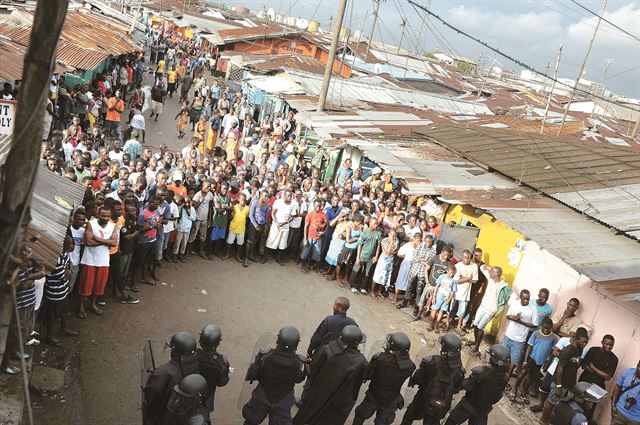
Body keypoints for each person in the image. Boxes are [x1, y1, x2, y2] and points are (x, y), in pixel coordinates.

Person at [294, 325, 369, 425]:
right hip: (338, 401)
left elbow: (313, 370)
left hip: (318, 392)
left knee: (307, 415)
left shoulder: (328, 349)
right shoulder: (361, 361)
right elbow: (356, 385)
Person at [242, 326, 306, 425]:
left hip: (262, 396)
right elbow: (299, 379)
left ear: (278, 340)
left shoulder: (265, 356)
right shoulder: (300, 363)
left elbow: (252, 374)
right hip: (283, 400)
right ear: (296, 344)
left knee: (251, 421)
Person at [400, 332, 465, 425]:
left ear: (445, 348)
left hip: (423, 398)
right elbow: (457, 389)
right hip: (443, 403)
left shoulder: (431, 362)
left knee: (409, 415)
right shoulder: (460, 371)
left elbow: (419, 379)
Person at [353, 332, 416, 425]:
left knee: (360, 415)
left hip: (373, 396)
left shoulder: (380, 359)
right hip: (391, 400)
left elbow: (368, 375)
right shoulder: (410, 367)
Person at [444, 344, 511, 425]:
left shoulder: (481, 372)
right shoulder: (505, 378)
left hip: (468, 406)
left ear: (493, 360)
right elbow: (497, 398)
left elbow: (467, 386)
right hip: (483, 411)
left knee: (452, 421)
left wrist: (457, 383)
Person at [142, 331, 199, 425]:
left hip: (161, 415)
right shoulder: (195, 366)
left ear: (176, 352)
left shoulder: (163, 373)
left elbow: (150, 396)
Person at [540, 327, 590, 424]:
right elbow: (560, 369)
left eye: (586, 343)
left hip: (568, 383)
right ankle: (543, 420)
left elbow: (574, 368)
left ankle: (551, 420)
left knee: (559, 404)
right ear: (575, 339)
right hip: (559, 382)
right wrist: (559, 386)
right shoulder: (568, 351)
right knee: (551, 401)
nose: (584, 345)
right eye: (582, 342)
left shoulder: (579, 350)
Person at [79, 206, 118, 318]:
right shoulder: (91, 224)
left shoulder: (112, 226)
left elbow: (114, 243)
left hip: (103, 261)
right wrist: (107, 242)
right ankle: (81, 306)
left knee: (99, 286)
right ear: (98, 215)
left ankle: (92, 304)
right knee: (85, 285)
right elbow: (88, 242)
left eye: (108, 216)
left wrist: (97, 238)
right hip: (89, 260)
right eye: (103, 215)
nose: (105, 218)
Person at [509, 317, 558, 404]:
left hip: (541, 361)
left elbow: (552, 352)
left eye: (548, 328)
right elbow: (529, 347)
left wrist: (548, 362)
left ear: (551, 328)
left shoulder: (554, 338)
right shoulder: (536, 334)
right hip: (531, 358)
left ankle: (524, 391)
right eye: (544, 327)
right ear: (541, 326)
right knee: (523, 372)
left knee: (532, 377)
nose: (546, 330)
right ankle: (515, 388)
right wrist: (525, 360)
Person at [469, 264, 512, 356]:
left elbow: (511, 295)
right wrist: (490, 267)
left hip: (491, 310)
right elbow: (482, 267)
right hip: (483, 306)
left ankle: (476, 348)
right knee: (476, 324)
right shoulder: (490, 279)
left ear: (497, 274)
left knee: (481, 327)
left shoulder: (503, 286)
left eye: (493, 272)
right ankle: (476, 341)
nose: (490, 272)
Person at [196, 324, 230, 416]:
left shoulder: (194, 354)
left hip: (190, 391)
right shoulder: (221, 361)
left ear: (200, 341)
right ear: (218, 343)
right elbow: (222, 382)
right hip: (207, 396)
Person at [503, 289, 537, 379]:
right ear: (521, 297)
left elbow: (534, 324)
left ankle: (507, 378)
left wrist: (521, 322)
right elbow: (508, 316)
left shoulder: (533, 308)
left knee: (514, 361)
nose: (526, 301)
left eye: (528, 299)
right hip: (508, 335)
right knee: (503, 356)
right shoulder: (515, 303)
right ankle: (500, 375)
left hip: (520, 340)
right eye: (524, 299)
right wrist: (514, 318)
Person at [427, 263, 456, 333]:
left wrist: (449, 299)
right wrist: (434, 297)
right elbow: (437, 287)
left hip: (446, 299)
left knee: (441, 311)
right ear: (447, 271)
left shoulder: (453, 281)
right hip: (439, 296)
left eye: (453, 273)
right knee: (434, 310)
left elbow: (453, 291)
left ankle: (436, 325)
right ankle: (431, 324)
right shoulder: (442, 277)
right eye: (450, 272)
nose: (451, 274)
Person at [610, 361, 640, 425]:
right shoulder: (627, 371)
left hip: (636, 420)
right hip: (619, 413)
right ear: (637, 365)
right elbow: (617, 387)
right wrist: (613, 406)